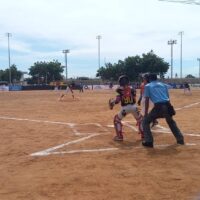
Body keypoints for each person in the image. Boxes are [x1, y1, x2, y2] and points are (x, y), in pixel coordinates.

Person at [142, 73, 184, 148]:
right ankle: (180, 139)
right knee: (171, 122)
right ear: (156, 78)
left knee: (145, 121)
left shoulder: (147, 86)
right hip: (167, 105)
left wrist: (145, 113)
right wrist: (170, 108)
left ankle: (149, 141)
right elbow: (167, 97)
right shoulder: (163, 85)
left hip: (158, 107)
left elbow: (147, 100)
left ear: (149, 79)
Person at [109, 75, 143, 141]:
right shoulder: (132, 89)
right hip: (134, 107)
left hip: (125, 108)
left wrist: (113, 103)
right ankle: (144, 135)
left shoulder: (119, 89)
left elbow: (118, 99)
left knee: (116, 120)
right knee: (140, 120)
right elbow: (132, 95)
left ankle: (119, 136)